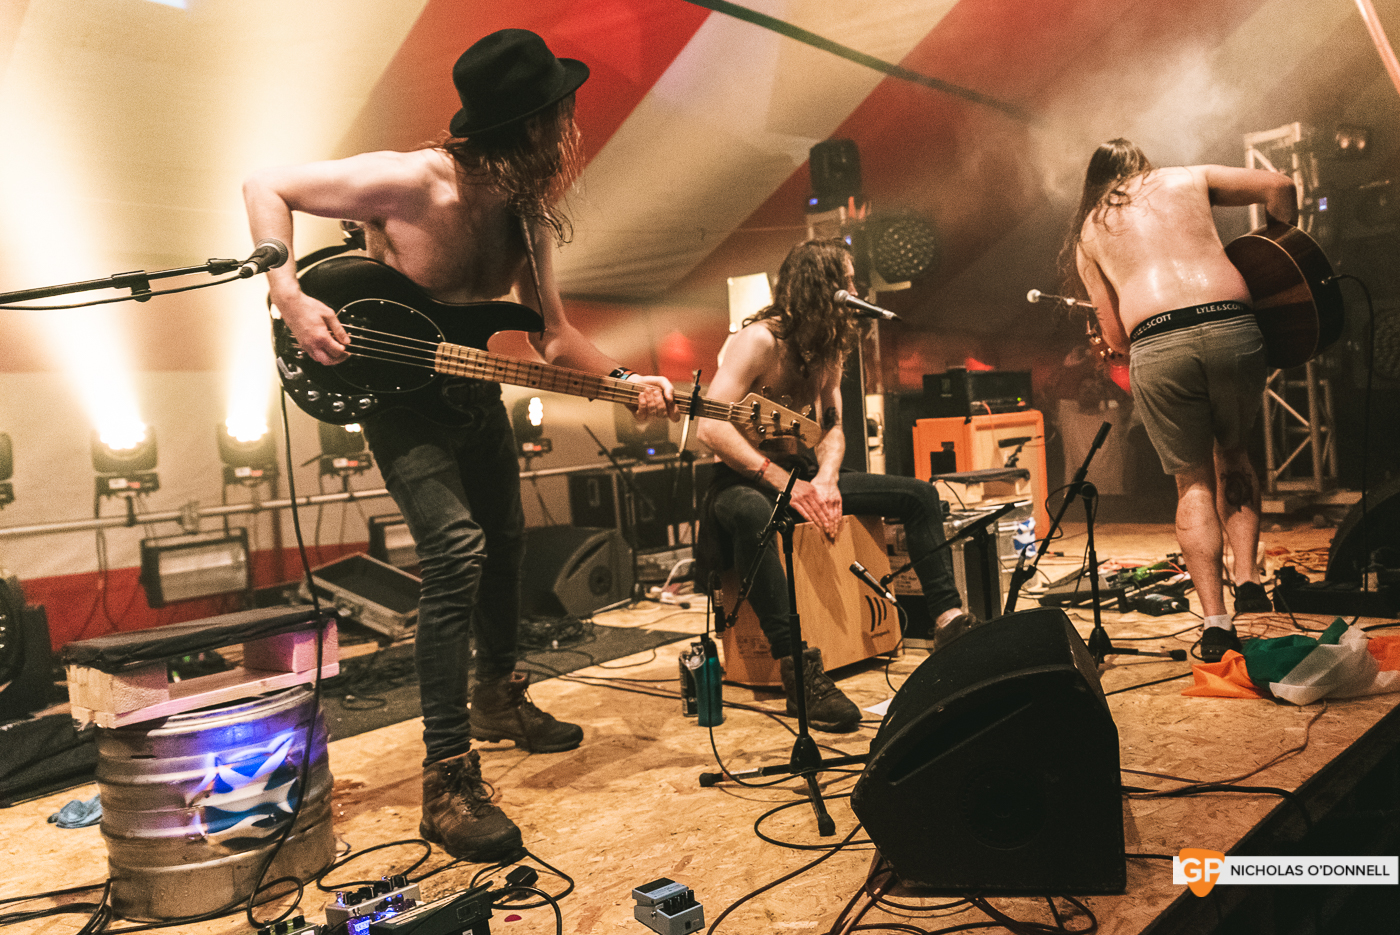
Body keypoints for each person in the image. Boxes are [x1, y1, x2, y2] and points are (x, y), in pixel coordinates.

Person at [243, 29, 674, 862]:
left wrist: (627, 380)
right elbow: (269, 183)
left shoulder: (528, 213)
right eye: (556, 117)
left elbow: (553, 338)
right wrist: (288, 295)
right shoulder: (412, 180)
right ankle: (446, 778)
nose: (566, 132)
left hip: (472, 385)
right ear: (523, 124)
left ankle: (499, 696)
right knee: (455, 547)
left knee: (507, 540)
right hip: (399, 397)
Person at [695, 239, 976, 732]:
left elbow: (833, 428)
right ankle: (797, 670)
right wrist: (784, 483)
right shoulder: (759, 341)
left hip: (801, 470)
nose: (854, 290)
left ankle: (949, 622)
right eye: (845, 281)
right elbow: (711, 427)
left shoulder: (827, 351)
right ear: (818, 286)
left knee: (921, 495)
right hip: (742, 475)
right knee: (750, 515)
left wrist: (824, 479)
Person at [1064, 139, 1296, 662]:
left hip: (1158, 340)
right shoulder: (1186, 177)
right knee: (1233, 455)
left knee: (1191, 481)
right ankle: (1249, 580)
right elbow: (1280, 185)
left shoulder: (1089, 230)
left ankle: (1216, 624)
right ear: (1142, 165)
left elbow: (1117, 337)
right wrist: (1285, 258)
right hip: (1233, 326)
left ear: (1095, 182)